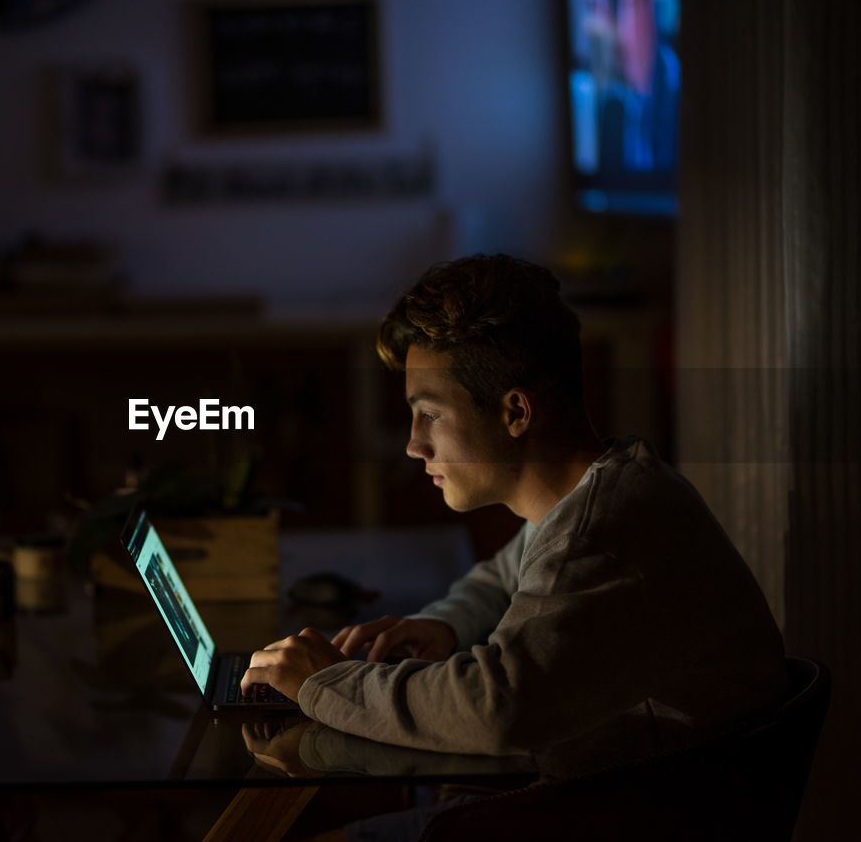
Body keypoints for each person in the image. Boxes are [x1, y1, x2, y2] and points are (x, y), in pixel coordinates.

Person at [241, 253, 787, 757]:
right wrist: (444, 628)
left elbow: (494, 708)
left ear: (516, 412)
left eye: (429, 414)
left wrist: (325, 682)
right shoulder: (600, 490)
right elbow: (500, 580)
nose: (413, 444)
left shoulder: (599, 534)